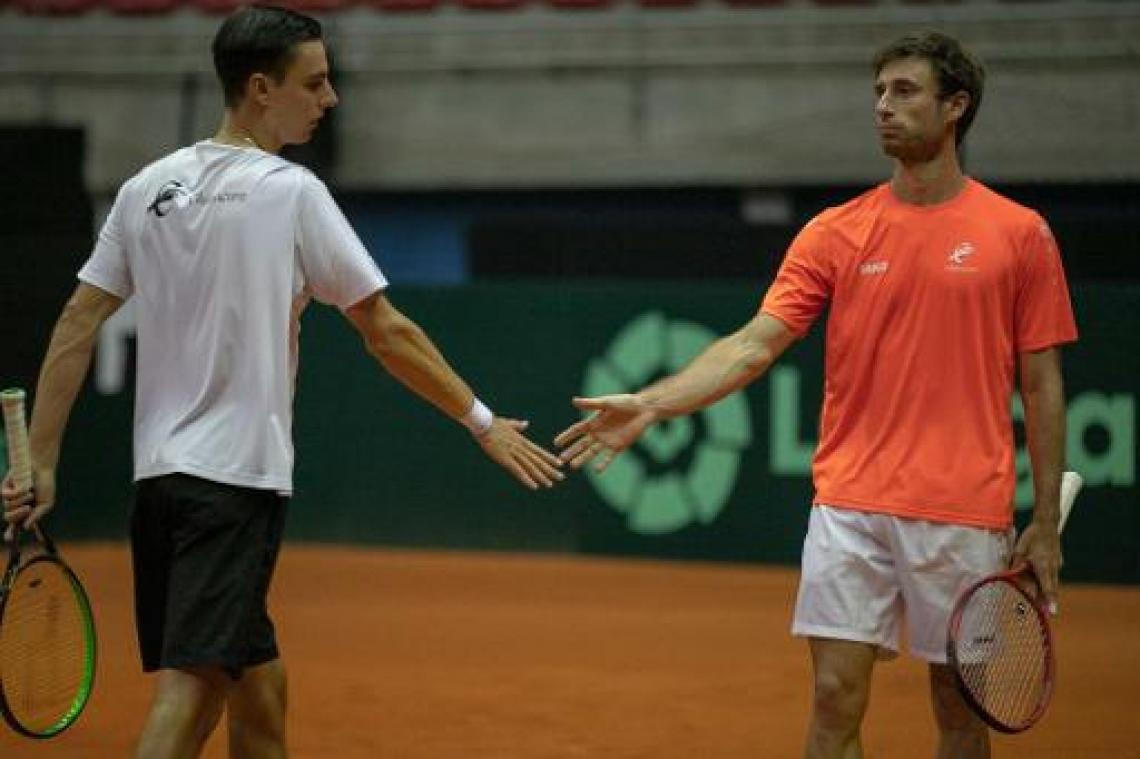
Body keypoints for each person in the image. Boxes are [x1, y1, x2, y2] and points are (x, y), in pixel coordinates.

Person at [1, 5, 562, 758]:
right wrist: (482, 421)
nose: (330, 99)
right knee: (193, 688)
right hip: (233, 485)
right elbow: (385, 330)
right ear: (261, 88)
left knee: (260, 687)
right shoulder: (291, 191)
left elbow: (77, 321)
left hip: (159, 488)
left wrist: (40, 459)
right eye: (316, 82)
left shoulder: (144, 189)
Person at [555, 30, 1076, 759]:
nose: (883, 108)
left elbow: (1042, 381)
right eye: (877, 93)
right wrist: (651, 402)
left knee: (960, 713)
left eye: (904, 91)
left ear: (955, 106)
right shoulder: (836, 232)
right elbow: (752, 344)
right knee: (833, 697)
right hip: (850, 504)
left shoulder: (1020, 235)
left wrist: (1044, 517)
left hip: (962, 510)